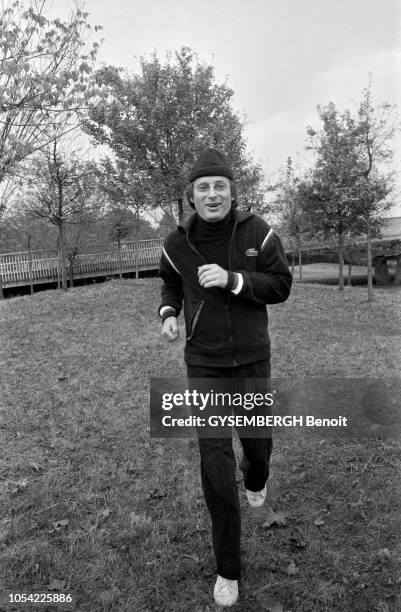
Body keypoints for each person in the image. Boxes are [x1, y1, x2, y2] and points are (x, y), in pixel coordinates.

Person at [158, 149, 292, 607]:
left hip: (252, 357)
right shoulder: (176, 244)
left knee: (257, 445)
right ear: (191, 196)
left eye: (219, 186)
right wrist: (169, 311)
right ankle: (228, 568)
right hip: (205, 362)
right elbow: (170, 281)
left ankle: (256, 477)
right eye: (203, 187)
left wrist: (235, 280)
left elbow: (281, 285)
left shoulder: (259, 232)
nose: (212, 194)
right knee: (214, 458)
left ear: (232, 191)